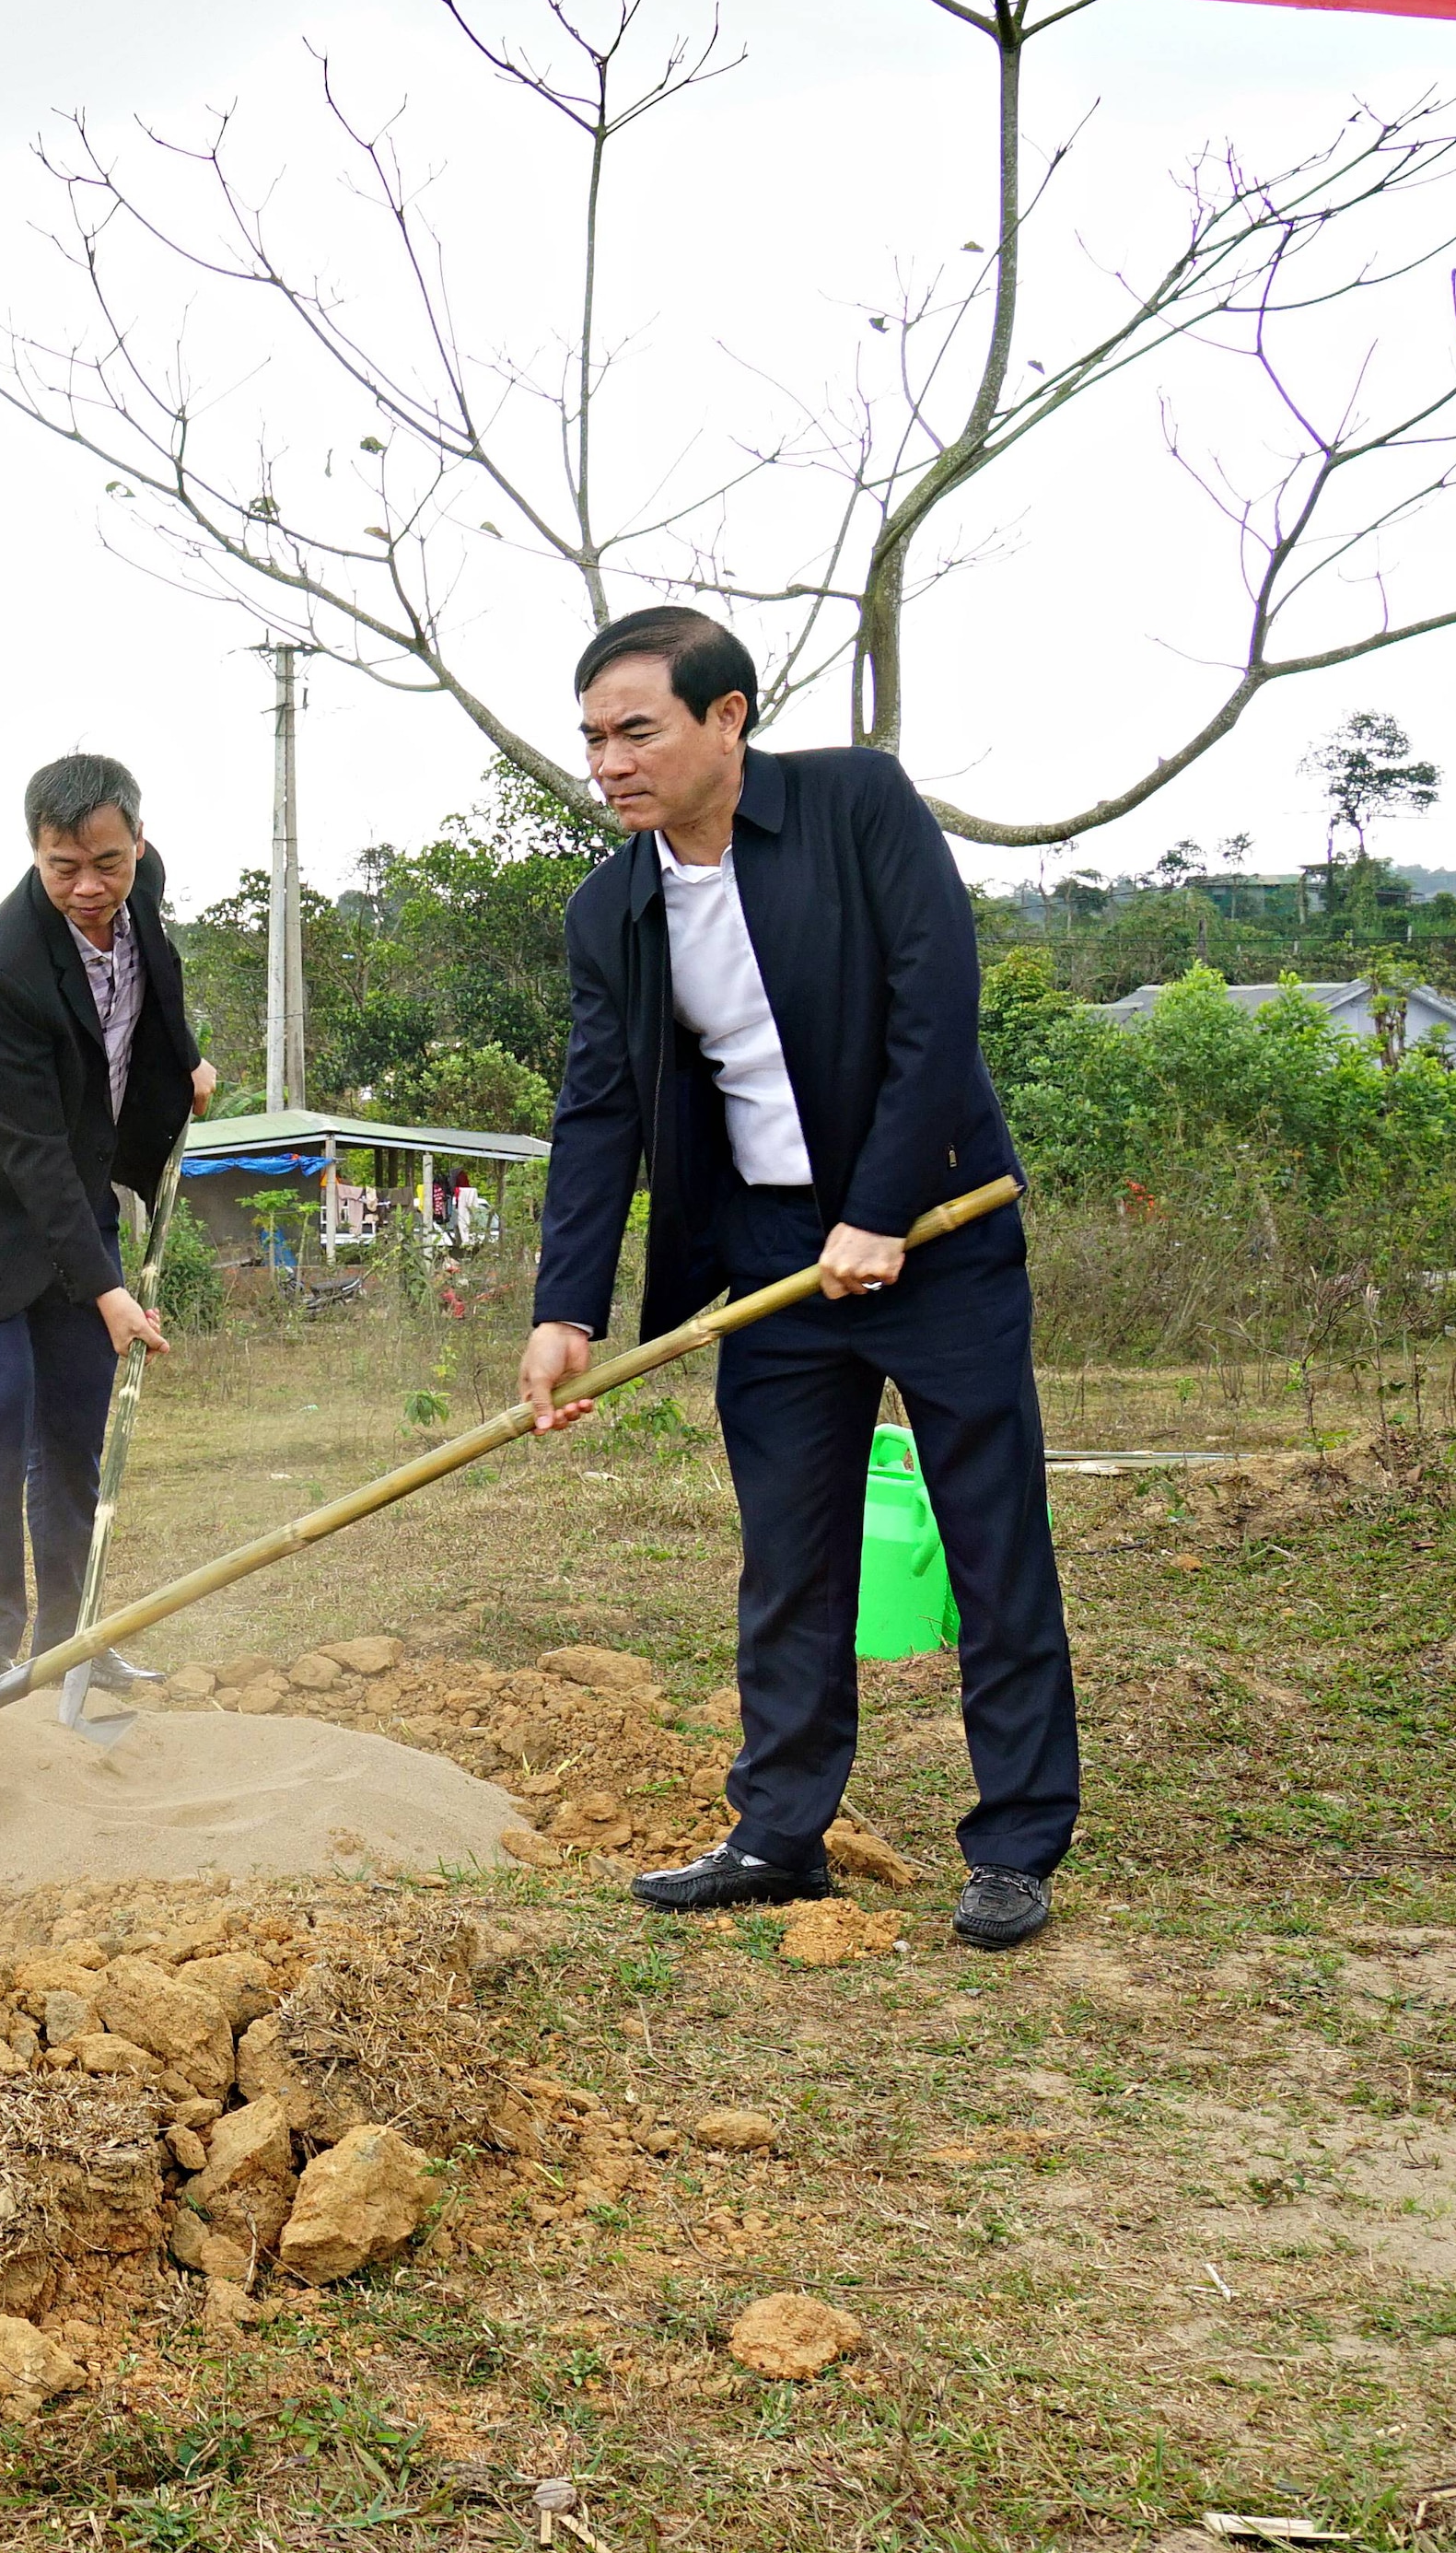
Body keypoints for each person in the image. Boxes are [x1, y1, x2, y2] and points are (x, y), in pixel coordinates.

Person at [518, 604, 1076, 1951]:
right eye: (593, 737)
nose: (610, 762)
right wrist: (564, 1306)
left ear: (729, 717)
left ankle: (1013, 1844)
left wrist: (882, 1209)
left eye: (636, 729)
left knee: (992, 1540)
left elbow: (939, 1002)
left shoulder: (857, 806)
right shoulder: (616, 907)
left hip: (934, 1233)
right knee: (790, 1555)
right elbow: (602, 1109)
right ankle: (780, 1829)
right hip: (769, 1258)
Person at [0, 753, 215, 1681]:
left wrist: (185, 1060)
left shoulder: (135, 886)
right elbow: (29, 1152)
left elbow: (161, 973)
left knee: (73, 1421)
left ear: (135, 844)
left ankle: (76, 1645)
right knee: (4, 1403)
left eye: (104, 862)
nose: (86, 886)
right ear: (33, 851)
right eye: (61, 866)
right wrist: (107, 1292)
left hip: (70, 1198)